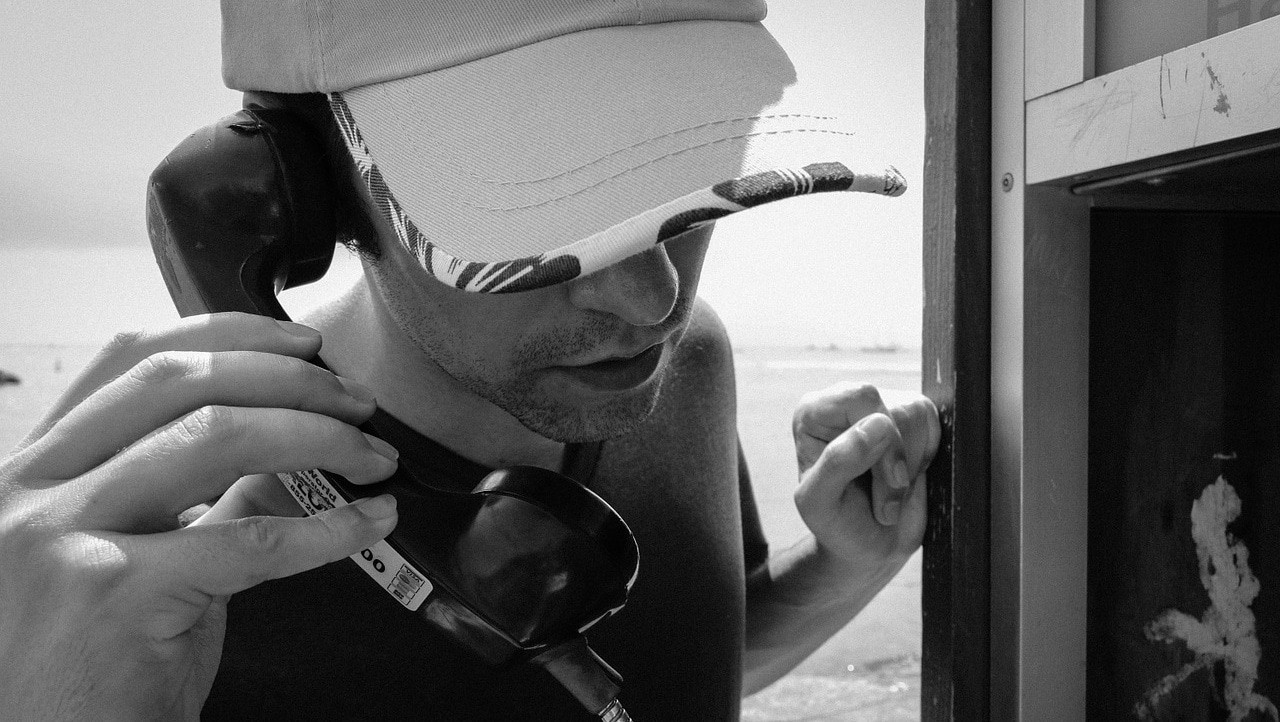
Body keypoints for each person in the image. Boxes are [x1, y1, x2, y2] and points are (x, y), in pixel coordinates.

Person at [0, 0, 939, 719]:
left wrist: (846, 567)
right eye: (545, 207)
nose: (654, 301)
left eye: (695, 180)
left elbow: (677, 670)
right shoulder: (152, 582)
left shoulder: (687, 366)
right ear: (311, 192)